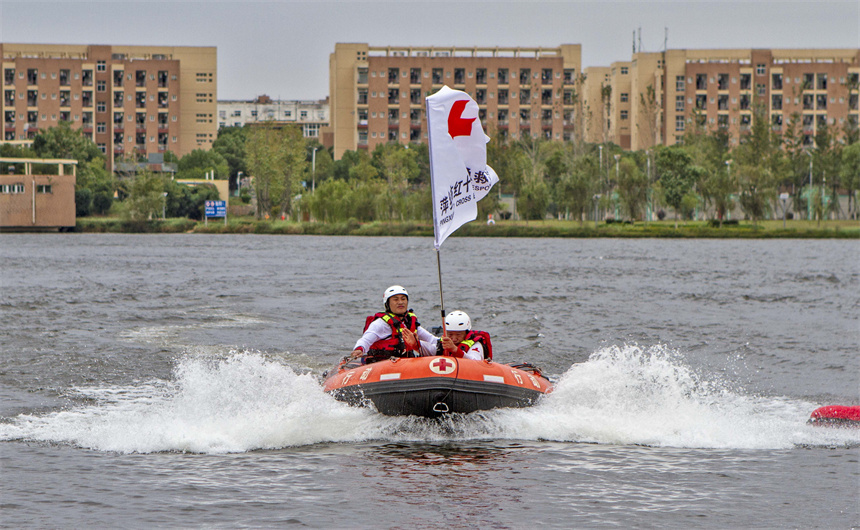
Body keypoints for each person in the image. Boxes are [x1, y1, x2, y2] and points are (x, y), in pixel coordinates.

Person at [350, 285, 440, 363]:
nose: (400, 302)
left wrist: (447, 343)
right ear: (387, 303)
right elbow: (365, 340)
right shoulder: (380, 324)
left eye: (403, 299)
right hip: (382, 364)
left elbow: (431, 340)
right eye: (395, 299)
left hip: (406, 363)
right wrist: (359, 349)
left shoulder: (409, 323)